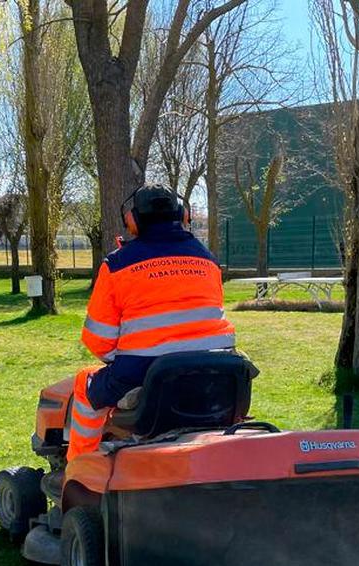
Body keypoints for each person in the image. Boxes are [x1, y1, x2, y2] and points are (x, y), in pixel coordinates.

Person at [68, 184, 235, 460]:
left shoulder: (117, 265)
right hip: (216, 368)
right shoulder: (208, 260)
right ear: (183, 215)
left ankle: (78, 471)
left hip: (143, 372)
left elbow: (97, 339)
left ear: (132, 220)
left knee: (84, 389)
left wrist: (123, 358)